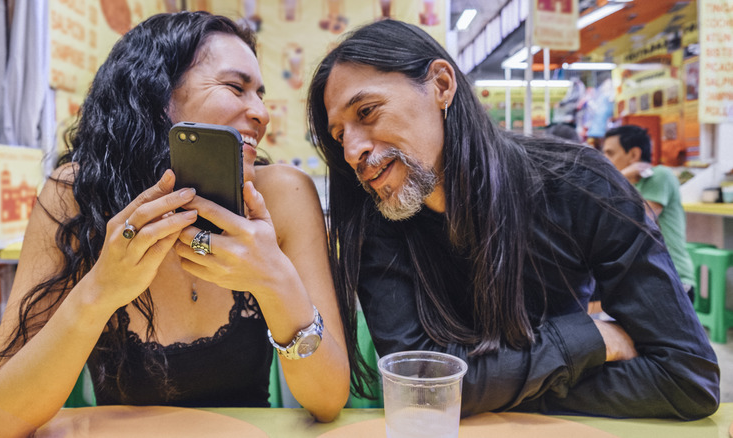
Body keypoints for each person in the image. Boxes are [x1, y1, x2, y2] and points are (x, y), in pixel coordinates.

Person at [307, 20, 719, 419]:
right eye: (339, 135)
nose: (351, 151)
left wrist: (487, 391)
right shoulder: (377, 224)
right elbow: (420, 388)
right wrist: (589, 339)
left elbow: (686, 377)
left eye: (366, 111)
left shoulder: (578, 183)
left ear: (442, 86)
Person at [0, 11, 349, 437]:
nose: (262, 114)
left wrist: (276, 282)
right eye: (236, 87)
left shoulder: (284, 195)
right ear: (156, 94)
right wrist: (101, 289)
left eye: (261, 95)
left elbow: (327, 401)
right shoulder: (75, 195)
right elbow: (6, 418)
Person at [602, 125, 695, 300]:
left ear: (634, 154)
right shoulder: (628, 183)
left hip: (671, 278)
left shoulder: (660, 175)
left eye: (610, 153)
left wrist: (618, 177)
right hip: (642, 280)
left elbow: (634, 223)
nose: (605, 159)